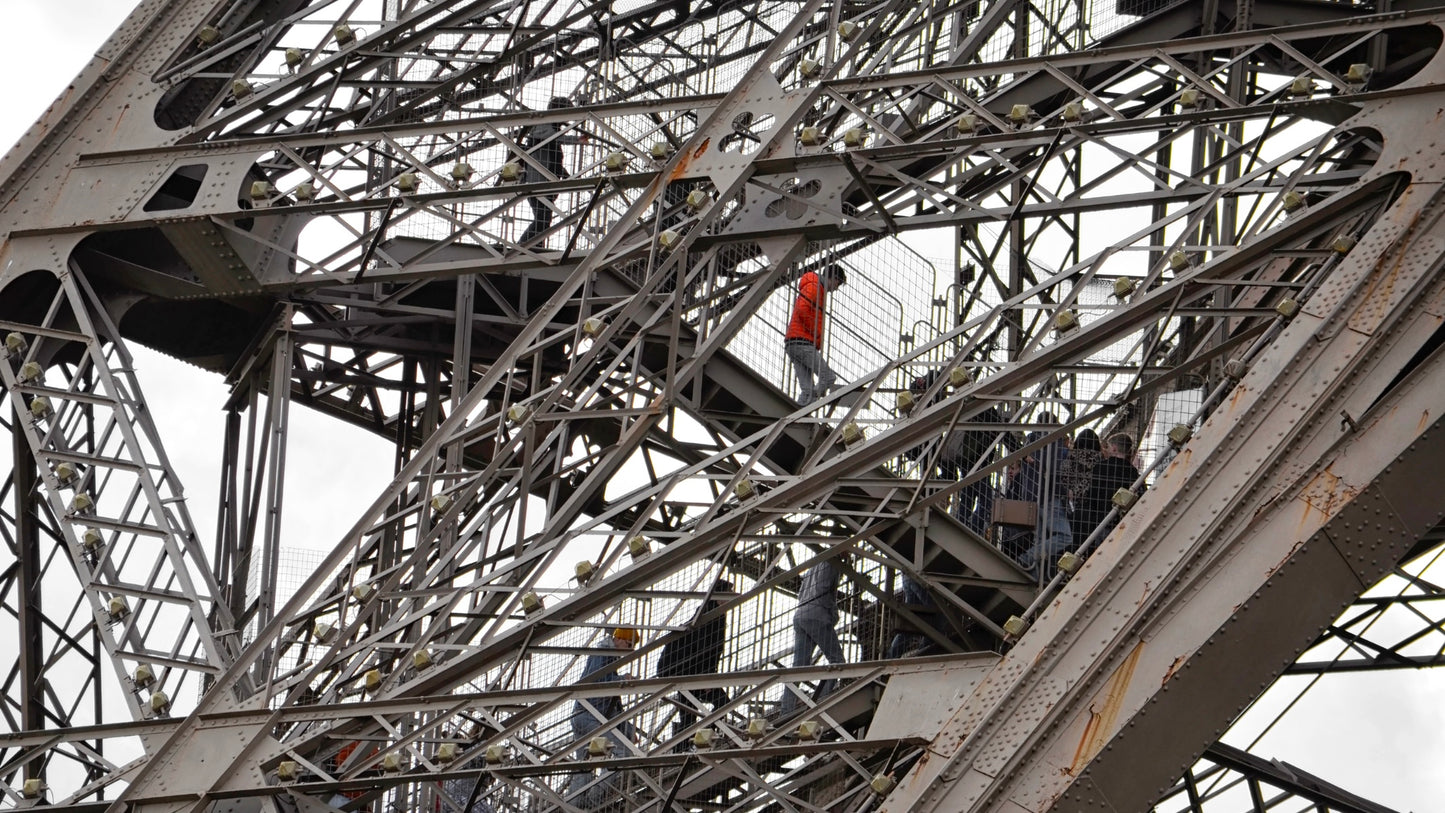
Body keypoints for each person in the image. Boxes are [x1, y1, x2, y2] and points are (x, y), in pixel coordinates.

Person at [567, 627, 638, 804]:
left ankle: (572, 804)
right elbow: (600, 683)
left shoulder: (604, 656)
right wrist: (622, 679)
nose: (629, 650)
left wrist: (627, 729)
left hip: (580, 716)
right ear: (619, 639)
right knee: (623, 753)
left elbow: (614, 706)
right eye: (629, 644)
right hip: (591, 716)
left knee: (583, 764)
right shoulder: (603, 654)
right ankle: (593, 799)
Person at [656, 580, 734, 738]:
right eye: (729, 593)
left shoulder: (708, 612)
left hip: (681, 669)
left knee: (688, 712)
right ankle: (704, 734)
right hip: (687, 669)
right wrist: (706, 676)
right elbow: (705, 647)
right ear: (719, 595)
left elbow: (707, 648)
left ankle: (689, 741)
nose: (732, 597)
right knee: (722, 703)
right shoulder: (711, 614)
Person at [780, 555, 847, 715]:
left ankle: (786, 709)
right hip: (817, 614)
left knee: (799, 666)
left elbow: (802, 593)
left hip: (801, 614)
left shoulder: (813, 567)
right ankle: (822, 699)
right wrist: (833, 613)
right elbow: (826, 591)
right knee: (837, 660)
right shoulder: (833, 562)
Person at [1015, 414, 1073, 582]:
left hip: (1031, 496)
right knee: (1065, 536)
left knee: (1039, 538)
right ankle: (1028, 558)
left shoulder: (1029, 441)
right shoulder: (1054, 441)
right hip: (1048, 497)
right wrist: (1064, 491)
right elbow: (1052, 472)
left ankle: (1033, 577)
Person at [784, 264, 847, 406]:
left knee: (807, 390)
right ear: (834, 278)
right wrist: (815, 331)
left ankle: (795, 416)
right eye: (838, 283)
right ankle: (805, 413)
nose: (837, 288)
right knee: (828, 377)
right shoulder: (815, 287)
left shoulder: (815, 286)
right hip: (802, 342)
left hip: (794, 342)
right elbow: (802, 309)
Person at [518, 96, 573, 246]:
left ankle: (535, 246)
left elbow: (552, 159)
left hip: (545, 183)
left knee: (543, 219)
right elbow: (552, 139)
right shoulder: (544, 126)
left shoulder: (550, 128)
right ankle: (521, 246)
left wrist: (564, 174)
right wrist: (576, 139)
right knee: (543, 219)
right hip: (537, 183)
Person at [1074, 432, 1142, 549]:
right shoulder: (1132, 471)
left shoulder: (1100, 467)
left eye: (1109, 447)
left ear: (1114, 448)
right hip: (1121, 519)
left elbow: (1091, 494)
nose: (1107, 450)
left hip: (1100, 518)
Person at [1061, 429, 1103, 550]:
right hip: (1091, 509)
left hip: (1070, 507)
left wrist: (1071, 492)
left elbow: (1063, 479)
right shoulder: (1101, 462)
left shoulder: (1069, 459)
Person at [886, 574, 939, 659]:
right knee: (935, 614)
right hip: (916, 576)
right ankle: (924, 650)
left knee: (910, 622)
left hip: (908, 576)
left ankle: (891, 657)